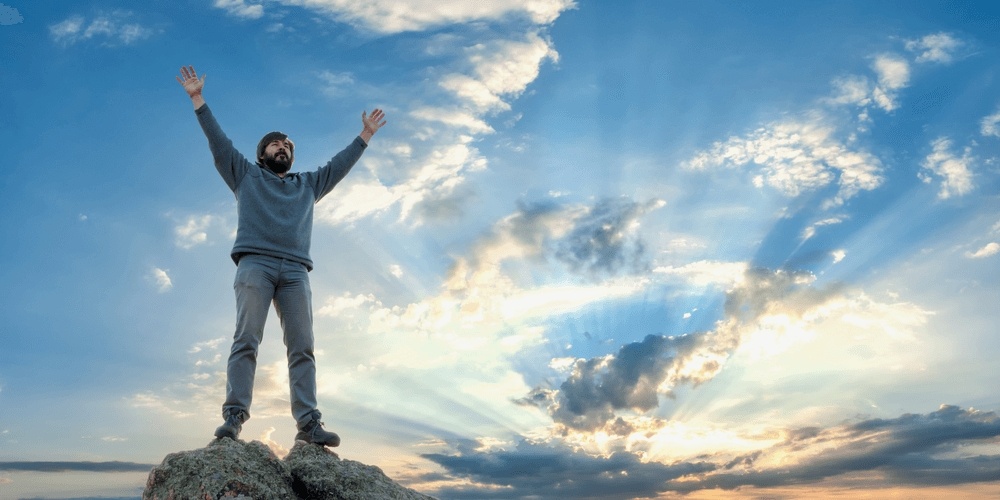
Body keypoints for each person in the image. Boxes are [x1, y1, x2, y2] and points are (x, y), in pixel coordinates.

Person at [175, 65, 386, 447]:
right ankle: (234, 419)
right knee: (246, 341)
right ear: (262, 153)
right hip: (255, 264)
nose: (284, 147)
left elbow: (339, 166)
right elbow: (218, 142)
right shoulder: (244, 174)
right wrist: (197, 99)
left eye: (288, 145)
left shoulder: (308, 185)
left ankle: (309, 424)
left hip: (295, 273)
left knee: (302, 346)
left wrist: (365, 136)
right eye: (277, 143)